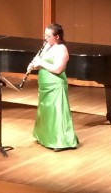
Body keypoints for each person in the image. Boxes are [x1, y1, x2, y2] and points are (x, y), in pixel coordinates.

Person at [28, 23, 78, 152]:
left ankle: (61, 141)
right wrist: (34, 65)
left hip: (56, 85)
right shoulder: (46, 47)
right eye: (45, 35)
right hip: (45, 84)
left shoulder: (61, 49)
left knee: (57, 112)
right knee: (46, 111)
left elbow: (57, 69)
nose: (45, 38)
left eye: (48, 36)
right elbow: (41, 64)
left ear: (57, 36)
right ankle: (45, 137)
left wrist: (41, 62)